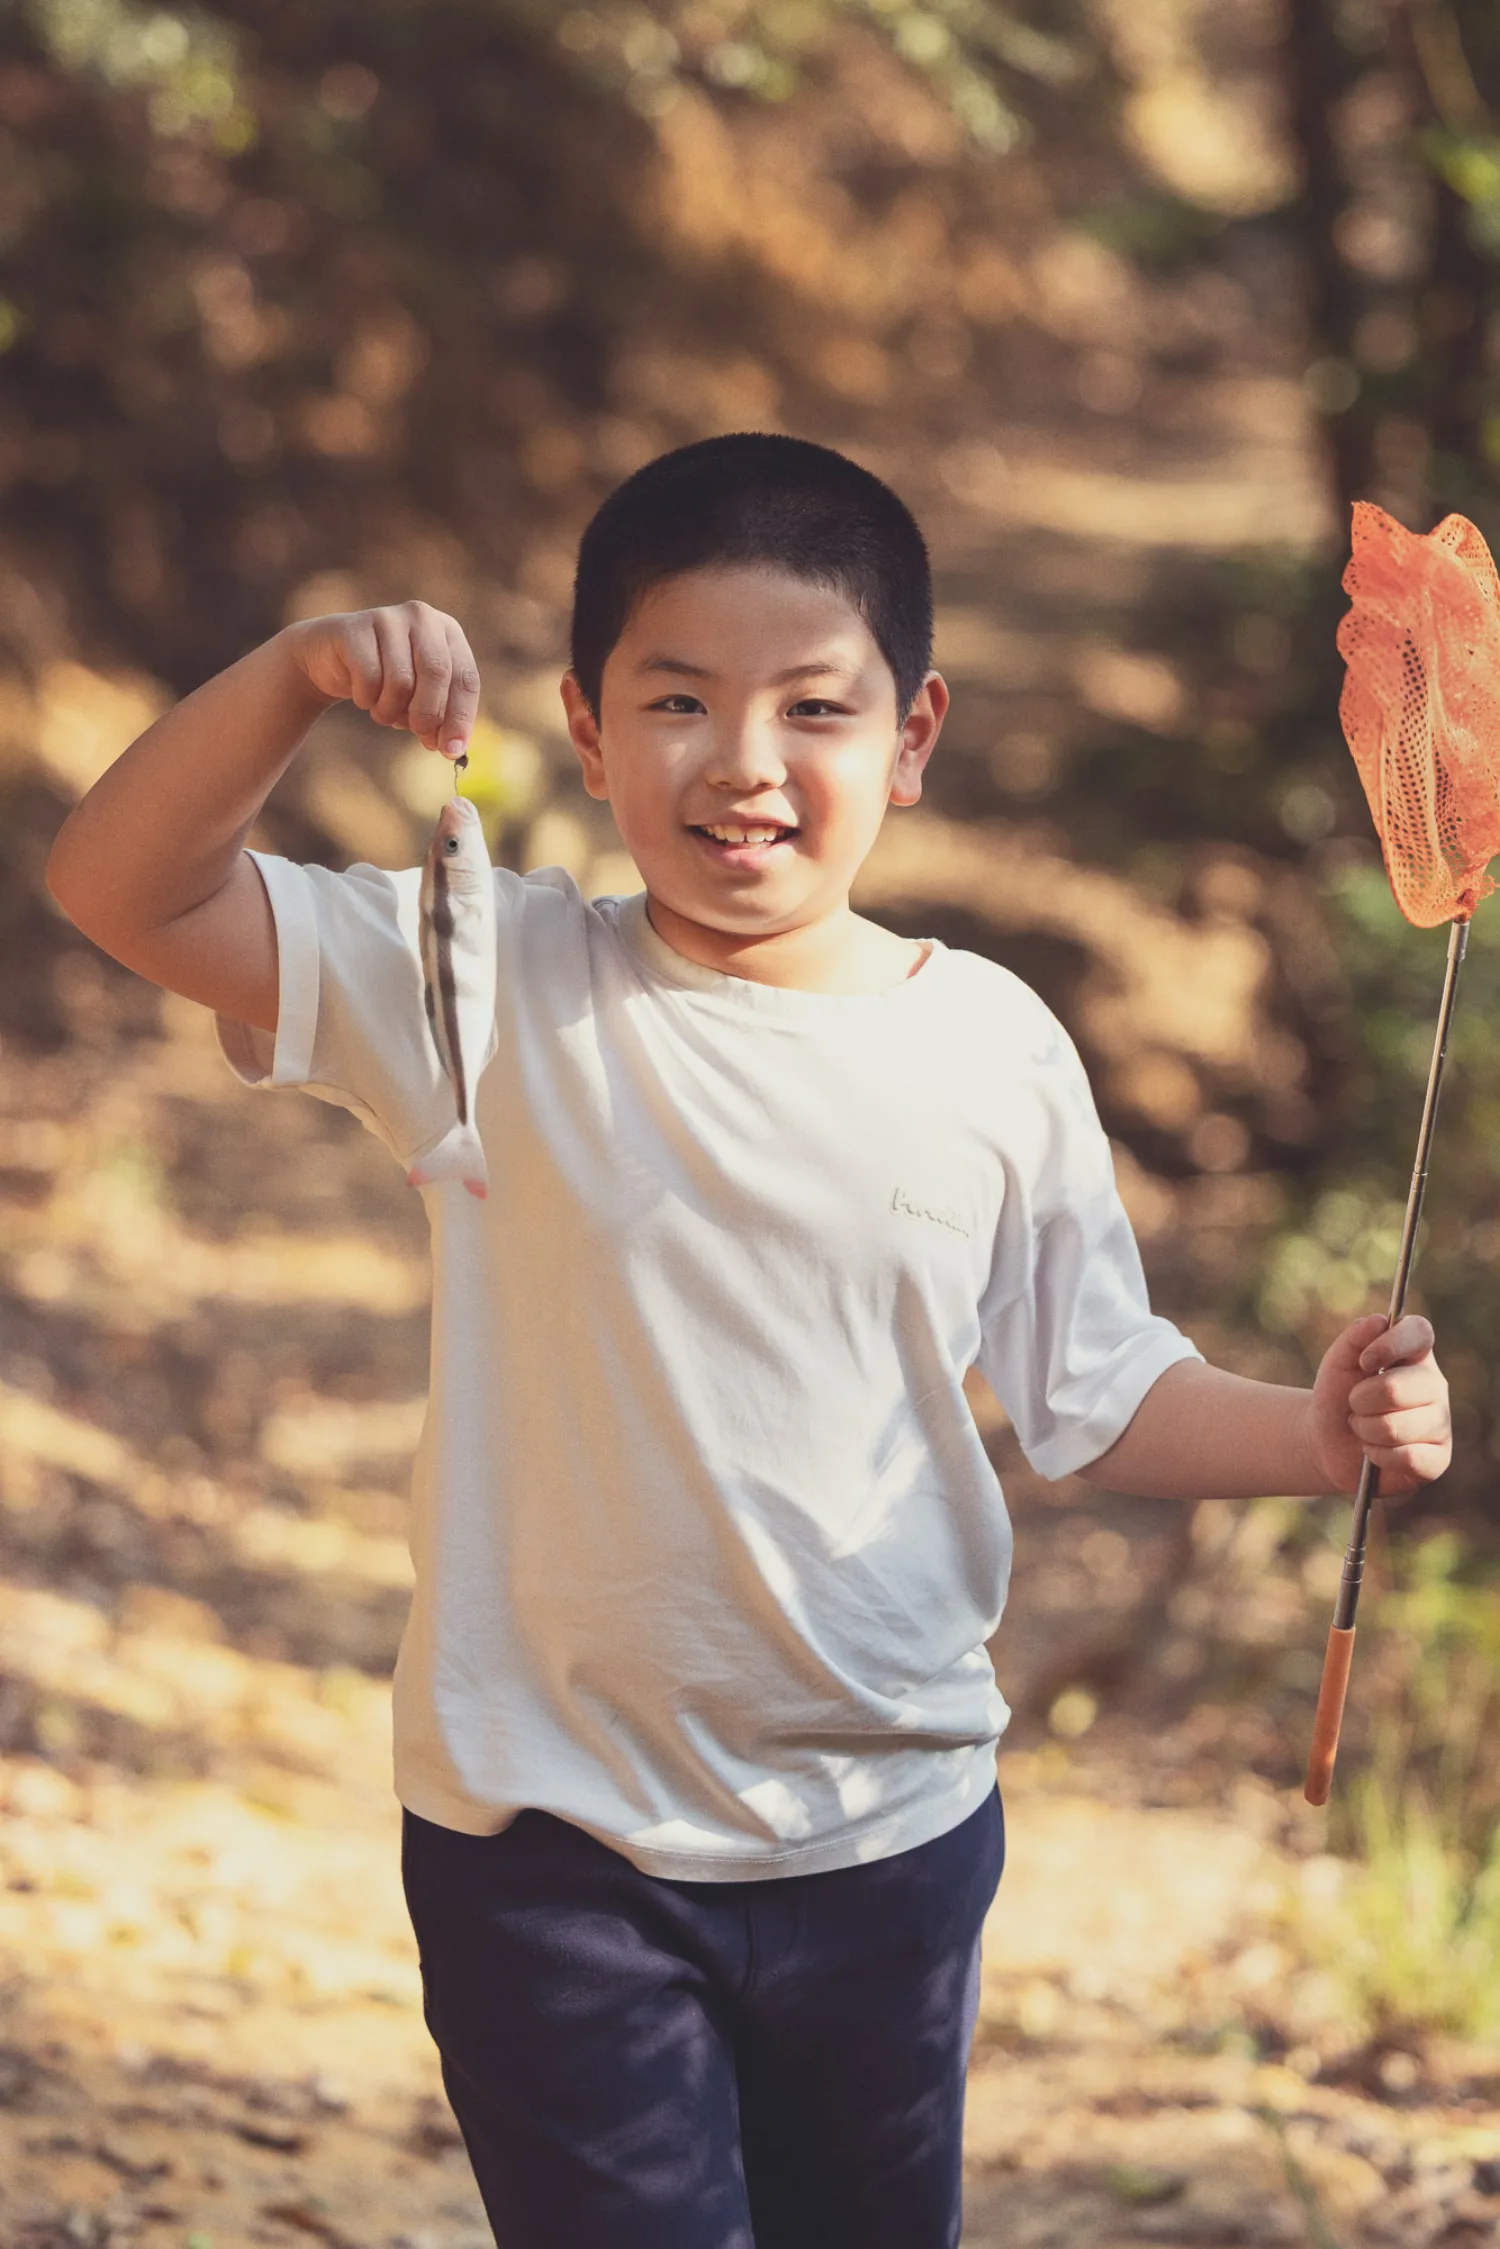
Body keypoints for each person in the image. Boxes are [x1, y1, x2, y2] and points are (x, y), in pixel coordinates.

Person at [45, 433, 1452, 2249]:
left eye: (815, 708)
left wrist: (1319, 1436)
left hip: (892, 1838)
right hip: (546, 1852)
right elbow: (121, 889)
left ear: (916, 733)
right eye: (681, 701)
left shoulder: (996, 1047)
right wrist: (302, 671)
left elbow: (1098, 1399)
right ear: (585, 724)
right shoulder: (489, 978)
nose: (745, 765)